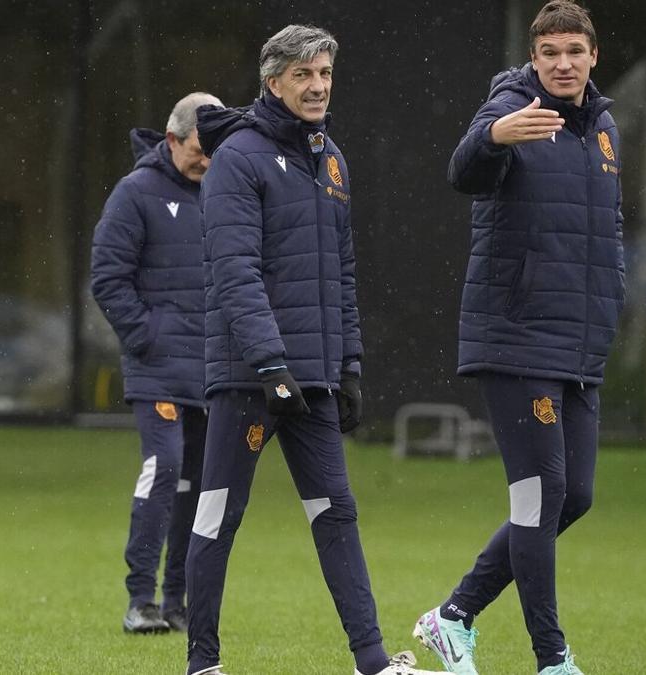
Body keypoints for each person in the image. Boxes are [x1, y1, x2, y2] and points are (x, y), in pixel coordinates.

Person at [186, 25, 445, 675]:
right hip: (251, 377)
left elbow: (341, 272)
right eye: (304, 74)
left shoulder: (332, 158)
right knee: (221, 513)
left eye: (325, 73)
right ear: (273, 82)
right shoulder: (238, 158)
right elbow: (234, 271)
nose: (318, 85)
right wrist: (271, 364)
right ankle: (202, 664)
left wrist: (348, 366)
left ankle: (373, 661)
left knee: (337, 513)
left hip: (315, 379)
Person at [411, 2, 624, 674]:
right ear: (534, 58)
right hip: (517, 337)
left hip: (578, 344)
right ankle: (552, 658)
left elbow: (606, 234)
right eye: (550, 52)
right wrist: (494, 137)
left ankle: (453, 615)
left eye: (574, 51)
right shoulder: (511, 104)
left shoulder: (605, 126)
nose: (562, 63)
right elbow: (463, 171)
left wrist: (608, 307)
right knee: (539, 493)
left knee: (575, 495)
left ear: (594, 56)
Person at [90, 91, 223, 634]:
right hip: (159, 367)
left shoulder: (226, 191)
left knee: (200, 483)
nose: (208, 159)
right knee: (163, 469)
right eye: (199, 148)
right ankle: (139, 598)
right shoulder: (136, 193)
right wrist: (148, 336)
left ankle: (177, 600)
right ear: (172, 140)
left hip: (213, 369)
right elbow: (107, 278)